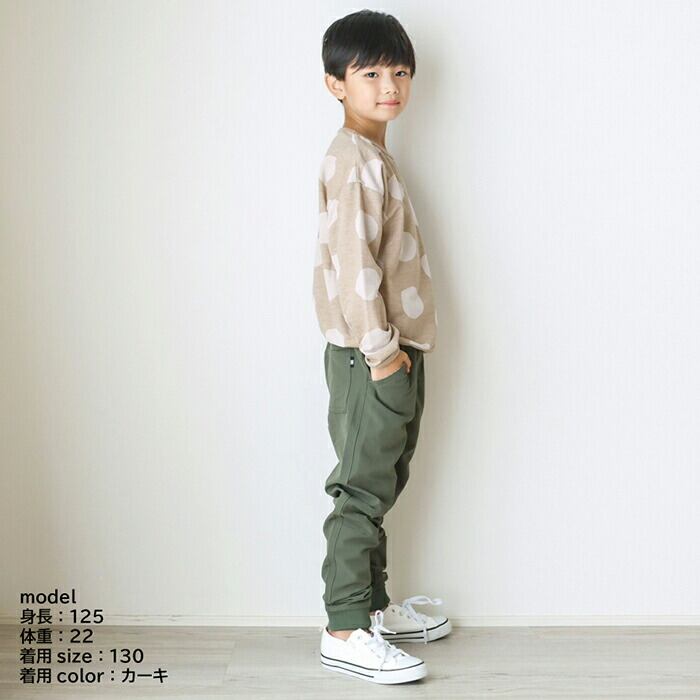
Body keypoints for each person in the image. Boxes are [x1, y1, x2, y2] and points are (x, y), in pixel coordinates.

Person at [311, 9, 451, 685]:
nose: (389, 85)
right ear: (336, 83)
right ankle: (344, 627)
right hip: (372, 356)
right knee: (361, 490)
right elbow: (353, 265)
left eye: (399, 71)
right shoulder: (351, 161)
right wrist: (382, 354)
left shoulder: (371, 156)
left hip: (392, 351)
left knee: (382, 482)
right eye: (369, 73)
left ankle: (371, 608)